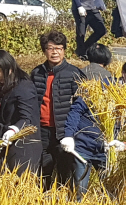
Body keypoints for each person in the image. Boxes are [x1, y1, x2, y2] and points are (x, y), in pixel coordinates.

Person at [63, 59, 126, 200]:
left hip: (107, 151)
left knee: (111, 193)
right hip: (83, 147)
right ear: (124, 73)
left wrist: (123, 143)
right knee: (78, 191)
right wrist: (69, 135)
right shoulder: (102, 87)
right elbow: (76, 109)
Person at [30, 31, 86, 191]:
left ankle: (63, 202)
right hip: (42, 129)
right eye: (50, 48)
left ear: (64, 50)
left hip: (64, 131)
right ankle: (43, 199)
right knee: (43, 169)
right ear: (44, 51)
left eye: (59, 48)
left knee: (65, 170)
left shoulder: (73, 73)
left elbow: (82, 103)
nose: (55, 52)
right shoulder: (37, 73)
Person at [0, 50, 42, 176]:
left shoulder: (24, 87)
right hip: (7, 145)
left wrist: (14, 130)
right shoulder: (5, 87)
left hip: (24, 148)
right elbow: (3, 119)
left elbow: (27, 117)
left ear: (8, 68)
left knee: (21, 187)